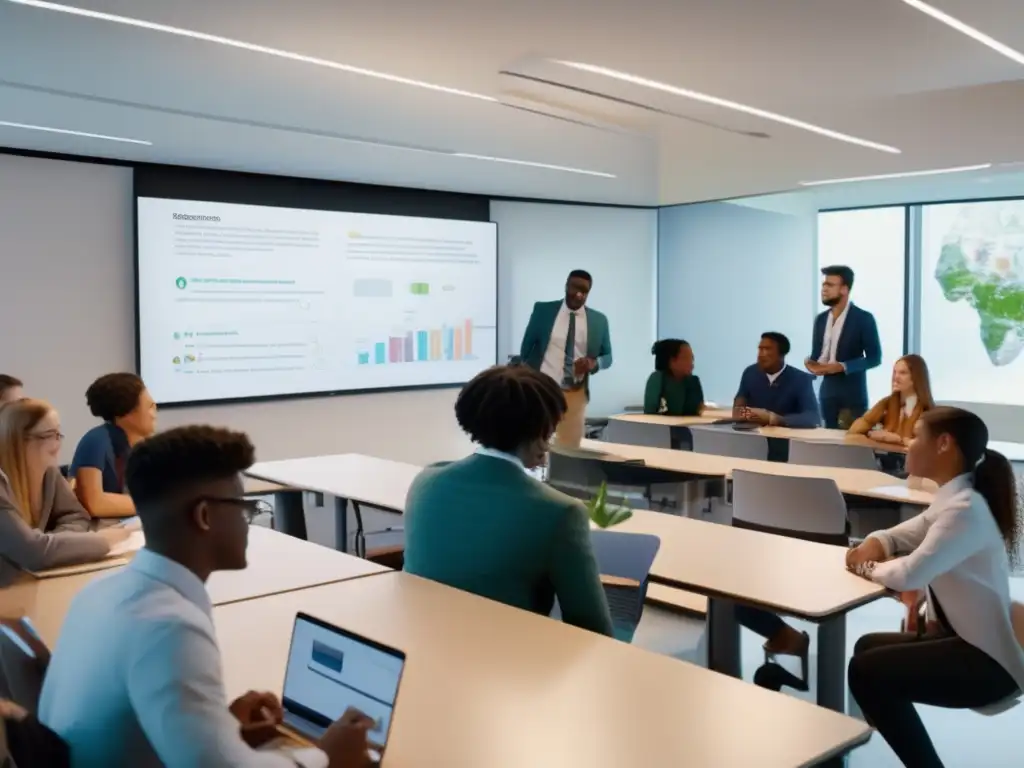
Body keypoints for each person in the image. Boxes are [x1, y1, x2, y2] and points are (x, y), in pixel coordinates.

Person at [39, 425, 377, 767]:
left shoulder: (99, 593)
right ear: (204, 516)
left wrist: (220, 728)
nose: (248, 522)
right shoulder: (169, 628)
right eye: (244, 508)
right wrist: (326, 757)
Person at [846, 407, 1024, 767]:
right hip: (966, 640)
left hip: (989, 664)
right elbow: (908, 533)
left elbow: (910, 573)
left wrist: (866, 565)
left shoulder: (964, 509)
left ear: (943, 444)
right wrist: (877, 541)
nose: (909, 444)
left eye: (917, 436)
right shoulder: (954, 498)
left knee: (866, 672)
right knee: (865, 648)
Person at [404, 365, 614, 637]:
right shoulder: (561, 512)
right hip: (509, 661)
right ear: (542, 430)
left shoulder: (425, 482)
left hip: (421, 645)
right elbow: (592, 628)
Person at [0, 399, 122, 585]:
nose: (58, 443)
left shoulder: (49, 471)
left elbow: (75, 515)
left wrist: (56, 543)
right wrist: (103, 540)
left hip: (27, 584)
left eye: (59, 434)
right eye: (50, 434)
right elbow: (32, 551)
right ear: (19, 440)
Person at [519, 269, 612, 448]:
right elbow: (526, 348)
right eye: (574, 288)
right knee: (534, 442)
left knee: (569, 448)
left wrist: (594, 363)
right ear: (566, 286)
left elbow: (608, 356)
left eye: (584, 291)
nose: (578, 294)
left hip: (574, 391)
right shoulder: (543, 311)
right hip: (542, 388)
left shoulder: (599, 321)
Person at [70, 373, 157, 519]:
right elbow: (94, 503)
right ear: (126, 413)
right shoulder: (95, 441)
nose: (155, 414)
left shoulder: (143, 446)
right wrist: (154, 504)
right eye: (150, 407)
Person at [805, 265, 882, 428]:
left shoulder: (863, 319)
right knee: (828, 445)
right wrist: (810, 364)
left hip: (851, 396)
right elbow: (817, 355)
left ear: (844, 289)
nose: (824, 289)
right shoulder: (820, 320)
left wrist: (842, 367)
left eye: (830, 285)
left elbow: (874, 358)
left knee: (850, 446)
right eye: (824, 285)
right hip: (826, 393)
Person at [734, 332, 820, 429]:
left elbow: (813, 418)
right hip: (754, 438)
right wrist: (740, 411)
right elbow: (739, 407)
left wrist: (775, 419)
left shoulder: (801, 379)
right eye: (760, 349)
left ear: (782, 354)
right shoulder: (750, 373)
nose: (761, 355)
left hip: (785, 439)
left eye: (767, 349)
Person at [848, 354, 935, 446]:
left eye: (903, 373)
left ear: (916, 377)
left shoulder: (927, 412)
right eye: (895, 372)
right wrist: (873, 434)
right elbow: (856, 429)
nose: (896, 377)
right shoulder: (886, 403)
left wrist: (898, 440)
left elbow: (926, 446)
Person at [643, 339, 704, 416]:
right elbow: (651, 412)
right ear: (672, 361)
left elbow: (694, 411)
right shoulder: (657, 379)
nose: (691, 364)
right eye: (686, 358)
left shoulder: (693, 382)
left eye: (692, 358)